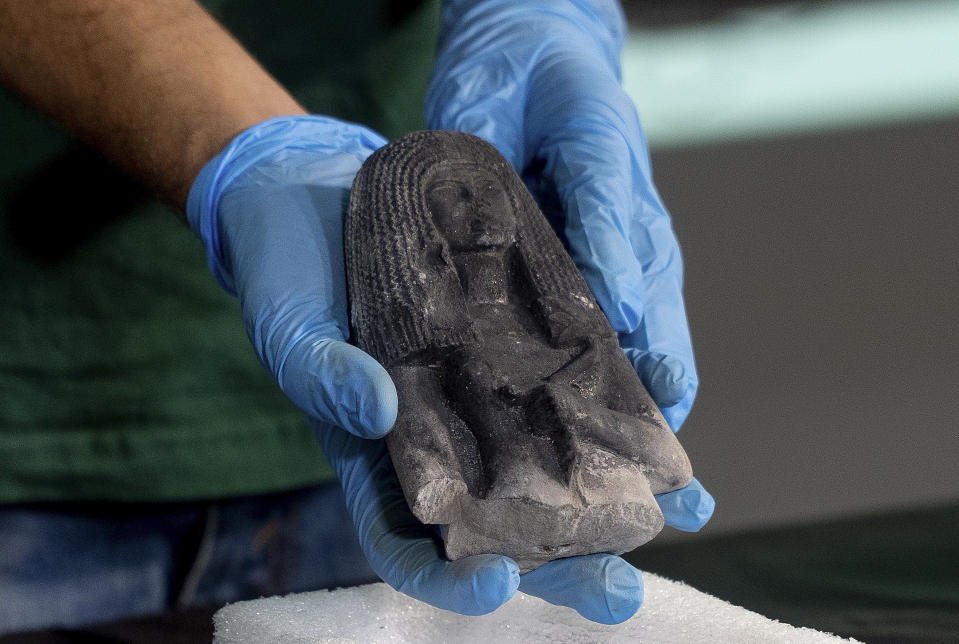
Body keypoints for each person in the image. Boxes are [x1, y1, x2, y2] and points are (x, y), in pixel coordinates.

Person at [0, 0, 714, 633]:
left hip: (333, 486)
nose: (478, 223)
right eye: (456, 209)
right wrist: (241, 141)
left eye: (484, 207)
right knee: (453, 389)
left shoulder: (532, 281)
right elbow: (431, 378)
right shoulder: (418, 305)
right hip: (47, 439)